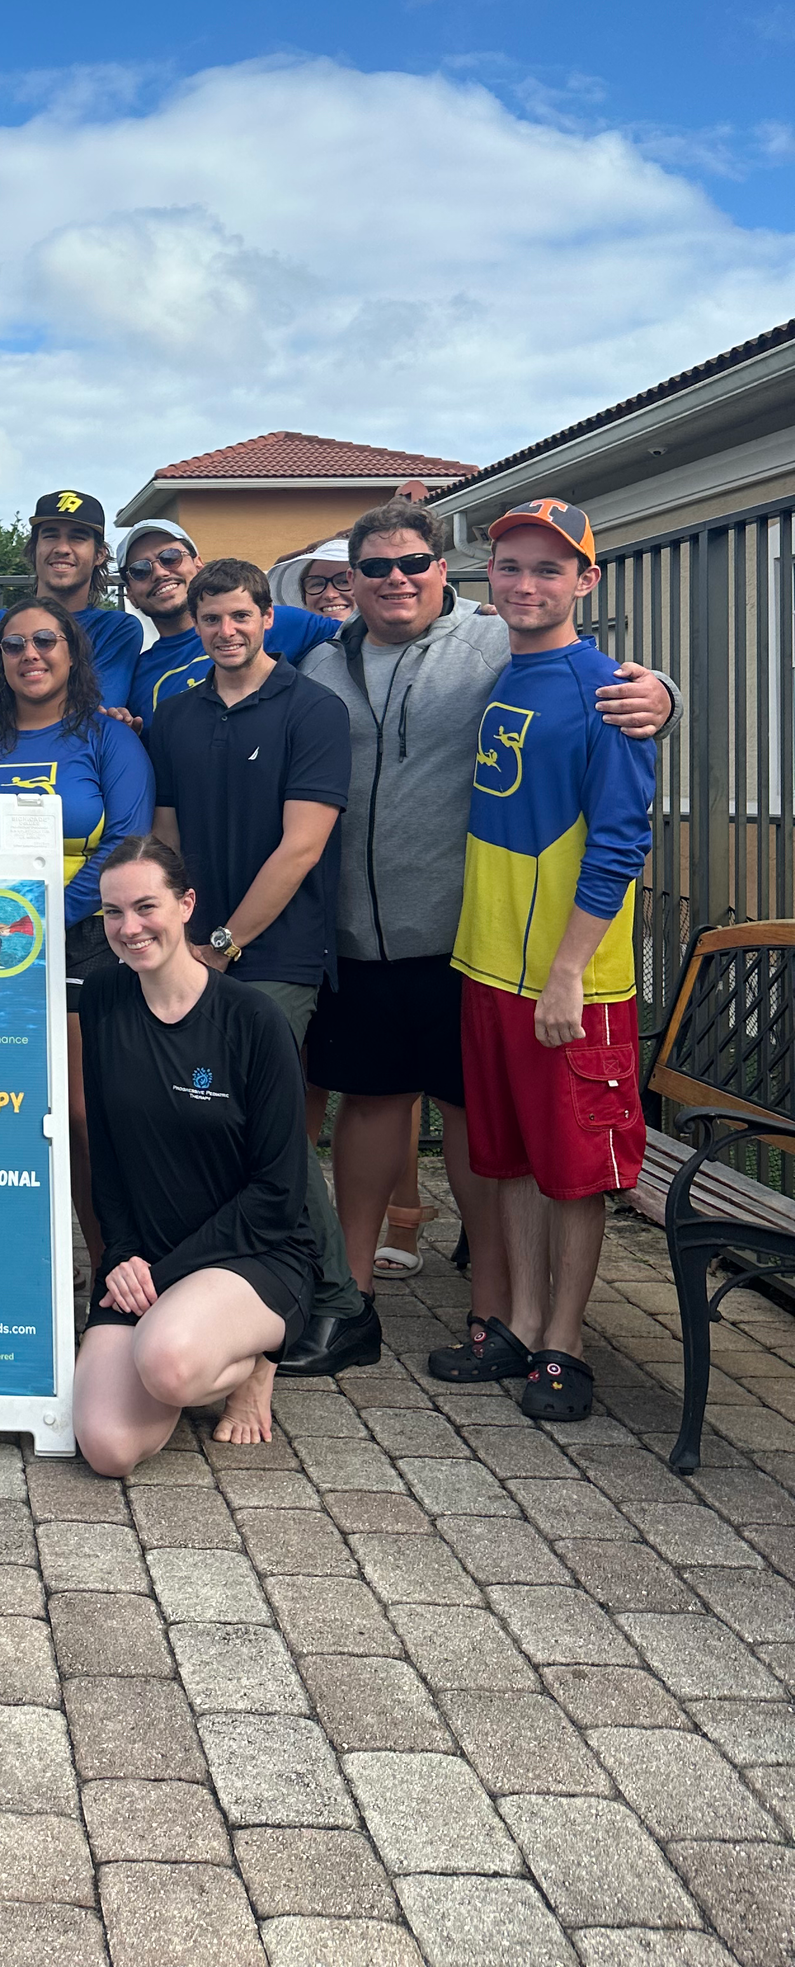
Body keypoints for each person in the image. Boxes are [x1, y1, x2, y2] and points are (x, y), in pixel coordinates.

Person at [296, 499, 673, 1371]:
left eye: (414, 564)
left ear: (445, 573)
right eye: (376, 567)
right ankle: (358, 1297)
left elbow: (607, 709)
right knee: (386, 1105)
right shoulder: (317, 655)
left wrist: (663, 696)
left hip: (487, 942)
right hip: (382, 932)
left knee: (486, 1131)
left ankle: (506, 1314)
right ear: (349, 581)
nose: (397, 579)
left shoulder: (493, 643)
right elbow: (226, 620)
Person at [148, 556, 368, 1432]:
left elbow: (302, 847)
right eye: (212, 620)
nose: (227, 632)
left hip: (273, 955)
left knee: (269, 1122)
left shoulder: (314, 711)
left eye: (241, 616)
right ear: (195, 625)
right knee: (209, 1118)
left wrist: (226, 941)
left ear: (267, 617)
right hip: (194, 950)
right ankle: (230, 1281)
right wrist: (179, 940)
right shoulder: (174, 714)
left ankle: (340, 1301)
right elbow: (165, 837)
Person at [448, 501, 656, 1422]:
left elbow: (620, 841)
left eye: (547, 569)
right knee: (517, 1162)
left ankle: (565, 1347)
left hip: (572, 984)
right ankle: (522, 1327)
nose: (526, 585)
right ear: (487, 581)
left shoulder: (606, 689)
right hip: (489, 967)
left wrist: (570, 969)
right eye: (510, 568)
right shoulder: (505, 672)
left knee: (576, 1170)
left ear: (585, 581)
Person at [72, 836, 317, 1476]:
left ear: (187, 905)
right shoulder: (100, 1002)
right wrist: (121, 1255)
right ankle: (186, 1349)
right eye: (112, 913)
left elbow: (279, 1195)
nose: (129, 928)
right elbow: (109, 1155)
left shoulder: (254, 1020)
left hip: (251, 1255)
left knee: (168, 1364)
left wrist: (164, 1272)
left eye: (146, 907)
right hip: (144, 1261)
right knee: (107, 1448)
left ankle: (257, 1361)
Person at [0, 597, 155, 1272]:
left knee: (83, 1120)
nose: (30, 654)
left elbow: (128, 840)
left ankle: (111, 1271)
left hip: (82, 941)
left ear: (72, 653)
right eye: (14, 645)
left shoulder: (109, 737)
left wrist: (39, 921)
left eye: (46, 641)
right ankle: (8, 1278)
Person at [125, 520, 341, 729]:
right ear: (131, 595)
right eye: (140, 570)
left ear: (198, 564)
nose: (160, 573)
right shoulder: (135, 678)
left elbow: (361, 636)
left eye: (170, 557)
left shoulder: (277, 622)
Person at [0, 490, 144, 721]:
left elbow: (96, 707)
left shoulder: (116, 629)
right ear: (34, 548)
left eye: (77, 537)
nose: (62, 548)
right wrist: (55, 693)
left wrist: (19, 686)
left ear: (99, 554)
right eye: (51, 536)